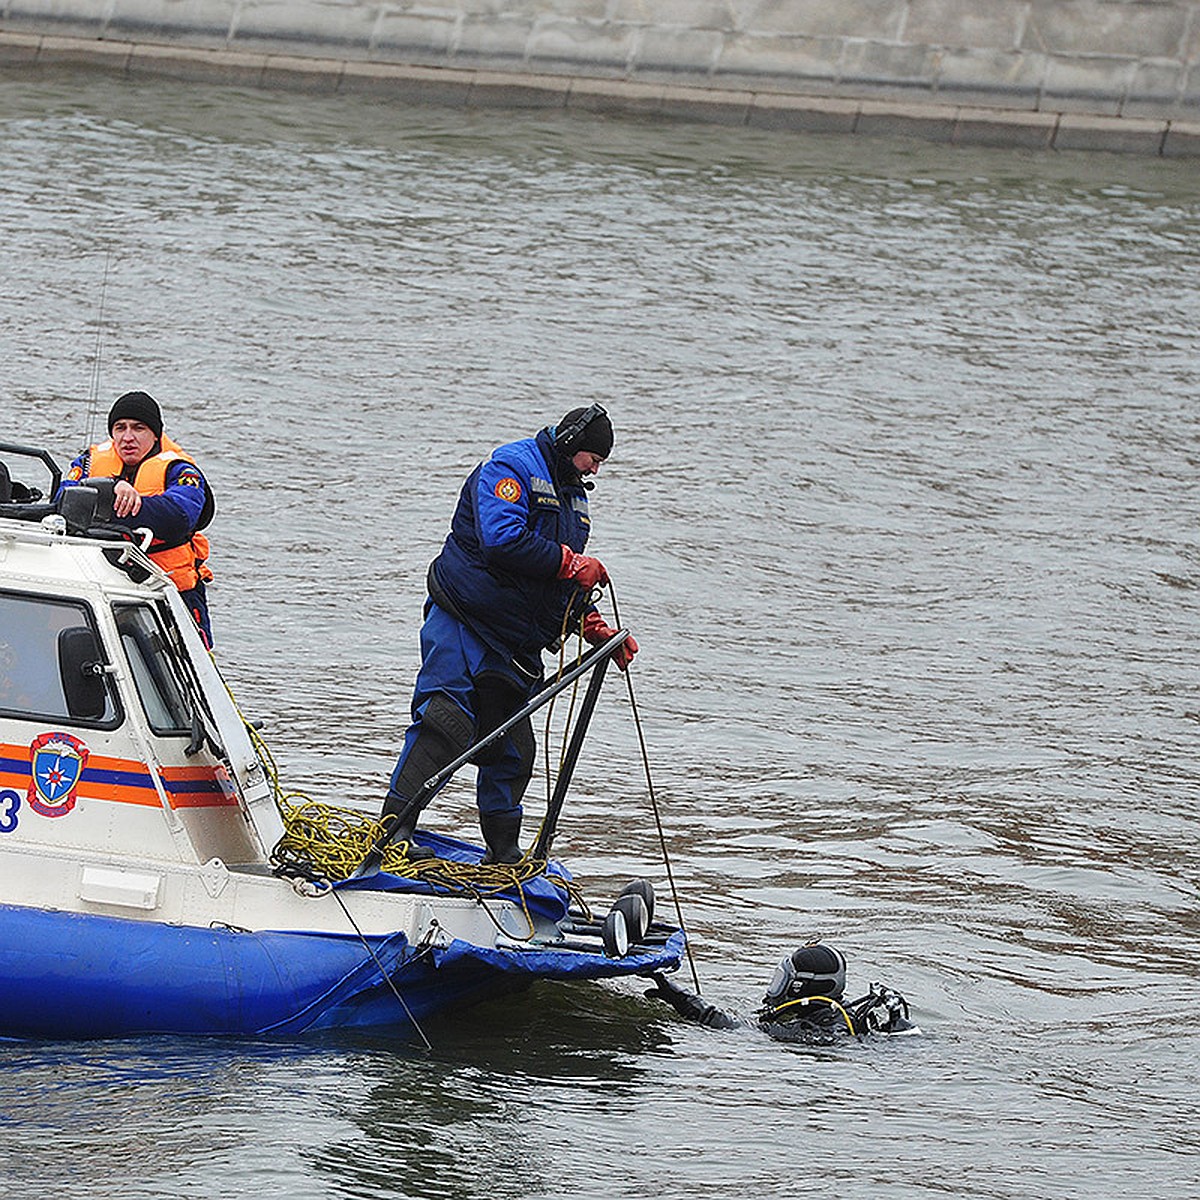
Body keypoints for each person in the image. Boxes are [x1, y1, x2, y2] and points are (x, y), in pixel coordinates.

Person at [380, 404, 638, 865]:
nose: (596, 468)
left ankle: (504, 857)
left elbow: (558, 582)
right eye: (593, 457)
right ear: (570, 442)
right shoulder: (511, 467)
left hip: (514, 643)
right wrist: (572, 564)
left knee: (512, 749)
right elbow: (503, 541)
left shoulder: (576, 502)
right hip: (463, 618)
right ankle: (394, 831)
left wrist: (593, 627)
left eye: (601, 462)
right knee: (445, 724)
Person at [61, 391, 216, 646]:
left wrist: (123, 504)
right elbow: (63, 499)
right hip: (101, 581)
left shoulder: (180, 470)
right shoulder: (89, 463)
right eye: (120, 428)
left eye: (138, 428)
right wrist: (113, 488)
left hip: (169, 592)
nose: (128, 437)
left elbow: (179, 516)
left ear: (155, 434)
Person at [645, 943, 920, 1043]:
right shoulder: (838, 1012)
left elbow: (736, 1029)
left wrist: (680, 997)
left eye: (784, 979)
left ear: (801, 986)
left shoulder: (814, 1029)